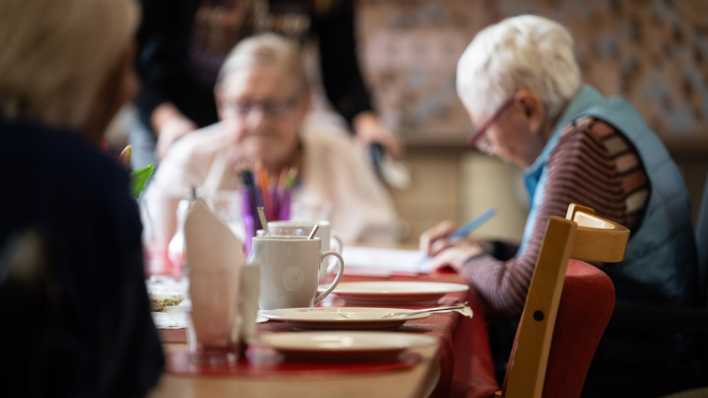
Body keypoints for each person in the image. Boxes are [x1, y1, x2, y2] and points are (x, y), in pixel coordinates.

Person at [420, 15, 701, 396]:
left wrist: (466, 260)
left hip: (635, 354)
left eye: (486, 134)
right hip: (645, 335)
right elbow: (553, 261)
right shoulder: (608, 117)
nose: (494, 151)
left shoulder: (584, 148)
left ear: (528, 108)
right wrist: (485, 248)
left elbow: (522, 295)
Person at [0, 1, 164, 397]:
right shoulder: (79, 179)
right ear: (81, 71)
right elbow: (134, 374)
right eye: (122, 66)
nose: (131, 88)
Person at [144, 33, 399, 271]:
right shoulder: (189, 157)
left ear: (305, 103)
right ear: (221, 102)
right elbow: (158, 259)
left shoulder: (342, 156)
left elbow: (382, 250)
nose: (258, 121)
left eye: (273, 106)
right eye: (244, 106)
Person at [132, 0, 400, 169]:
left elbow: (341, 69)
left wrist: (367, 124)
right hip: (178, 122)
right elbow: (138, 60)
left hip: (271, 125)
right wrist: (166, 121)